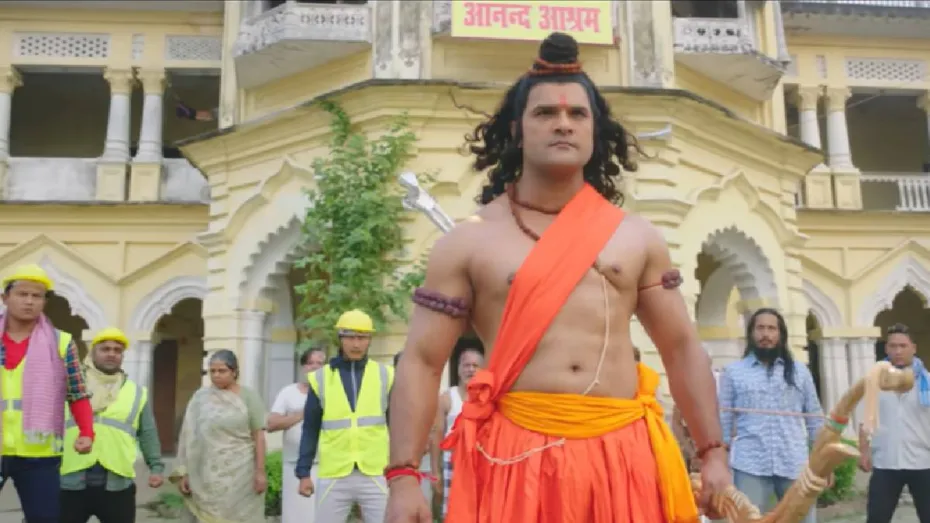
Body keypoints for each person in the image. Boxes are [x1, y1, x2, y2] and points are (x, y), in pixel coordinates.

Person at [384, 33, 730, 523]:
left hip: (623, 459)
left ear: (594, 130)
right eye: (545, 112)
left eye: (577, 114)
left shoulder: (637, 237)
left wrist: (713, 453)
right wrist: (403, 478)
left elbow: (681, 348)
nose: (563, 123)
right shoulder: (468, 241)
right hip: (515, 462)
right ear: (518, 130)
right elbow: (421, 362)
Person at [0, 263, 95, 523]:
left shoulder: (61, 342)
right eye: (22, 294)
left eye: (37, 296)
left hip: (39, 453)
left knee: (44, 518)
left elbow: (77, 392)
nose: (29, 301)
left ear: (44, 302)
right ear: (5, 298)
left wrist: (87, 432)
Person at [718, 308, 823, 523]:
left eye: (771, 328)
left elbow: (814, 418)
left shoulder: (800, 372)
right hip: (750, 465)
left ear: (781, 334)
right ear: (751, 333)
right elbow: (724, 422)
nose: (765, 334)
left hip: (794, 463)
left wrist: (823, 463)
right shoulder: (733, 372)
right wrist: (720, 464)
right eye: (760, 328)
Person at [296, 309, 395, 522]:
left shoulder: (385, 375)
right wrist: (303, 472)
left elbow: (396, 426)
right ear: (340, 338)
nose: (356, 344)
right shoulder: (320, 378)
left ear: (370, 340)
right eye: (350, 337)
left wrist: (401, 468)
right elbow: (310, 428)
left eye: (362, 337)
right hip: (334, 473)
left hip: (376, 471)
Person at [60, 327, 164, 523]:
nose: (111, 354)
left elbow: (148, 432)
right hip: (70, 479)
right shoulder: (70, 385)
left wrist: (155, 467)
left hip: (117, 482)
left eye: (117, 350)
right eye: (105, 349)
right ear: (92, 352)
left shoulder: (136, 392)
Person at [171, 350, 268, 522]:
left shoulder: (249, 397)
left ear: (234, 372)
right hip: (205, 475)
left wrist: (260, 472)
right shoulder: (200, 398)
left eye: (222, 371)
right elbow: (188, 436)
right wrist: (185, 472)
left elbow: (258, 435)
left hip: (241, 474)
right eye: (212, 371)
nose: (216, 375)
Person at [860, 323, 930, 523]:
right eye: (893, 346)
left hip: (923, 461)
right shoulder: (874, 382)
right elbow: (865, 419)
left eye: (903, 346)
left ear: (913, 348)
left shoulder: (927, 382)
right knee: (877, 518)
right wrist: (864, 451)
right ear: (886, 348)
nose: (898, 351)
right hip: (886, 461)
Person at [268, 347, 327, 523]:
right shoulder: (289, 392)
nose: (314, 367)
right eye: (310, 363)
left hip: (326, 466)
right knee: (295, 516)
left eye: (320, 363)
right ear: (303, 367)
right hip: (293, 465)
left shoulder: (333, 393)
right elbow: (271, 424)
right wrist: (304, 413)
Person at [429, 341, 485, 519]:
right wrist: (435, 471)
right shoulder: (447, 398)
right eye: (466, 365)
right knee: (453, 513)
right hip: (452, 463)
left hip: (481, 464)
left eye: (475, 365)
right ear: (458, 368)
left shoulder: (488, 398)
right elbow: (436, 434)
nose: (471, 370)